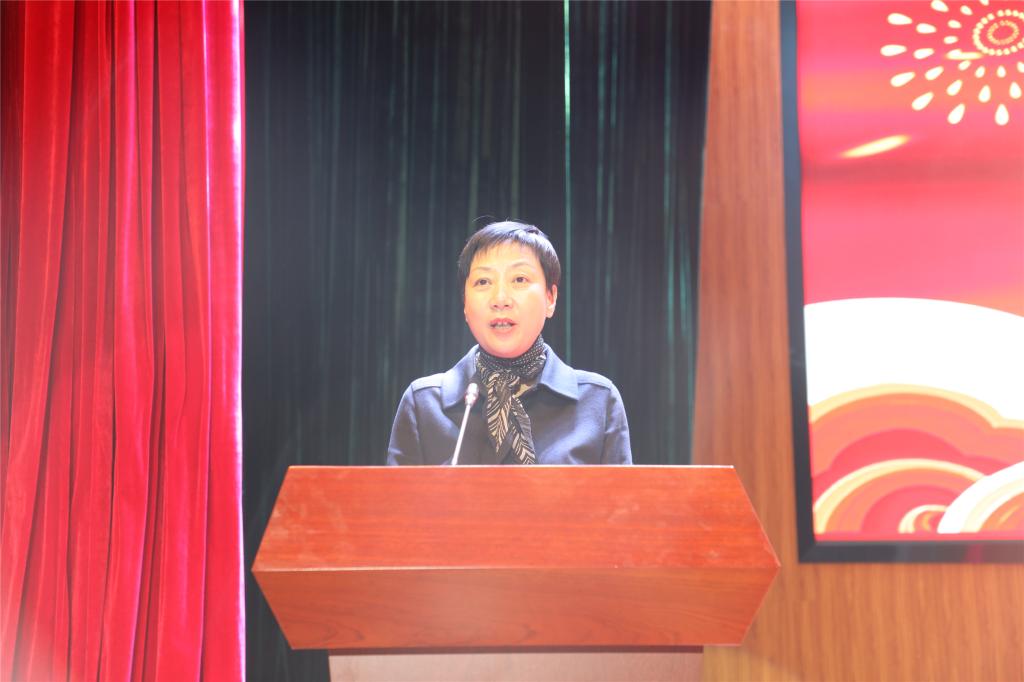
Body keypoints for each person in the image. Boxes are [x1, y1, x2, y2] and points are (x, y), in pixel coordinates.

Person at [387, 221, 632, 465]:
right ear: (465, 305)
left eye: (519, 279)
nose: (500, 299)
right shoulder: (423, 405)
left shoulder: (598, 402)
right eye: (483, 282)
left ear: (550, 298)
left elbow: (623, 493)